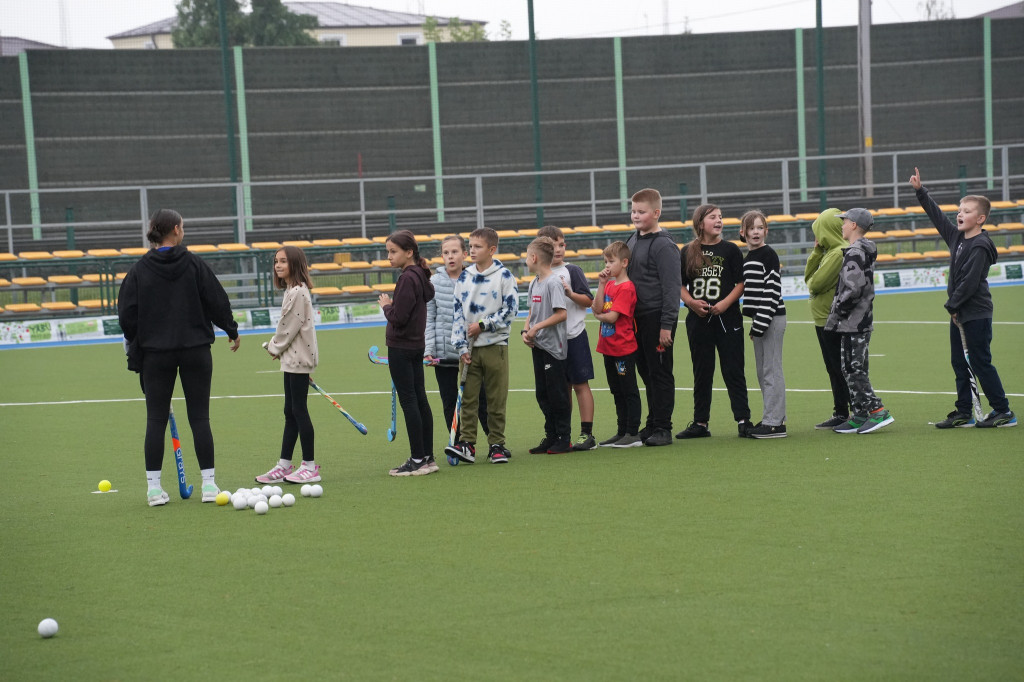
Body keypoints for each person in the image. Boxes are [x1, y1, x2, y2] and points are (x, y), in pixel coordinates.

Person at [117, 208, 240, 507]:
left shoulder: (138, 270)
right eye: (182, 226)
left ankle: (154, 490)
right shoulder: (194, 263)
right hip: (195, 350)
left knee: (155, 419)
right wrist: (231, 329)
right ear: (175, 229)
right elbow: (216, 298)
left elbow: (126, 314)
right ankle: (209, 486)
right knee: (199, 417)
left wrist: (136, 340)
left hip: (155, 355)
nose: (183, 230)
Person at [910, 167, 1015, 428]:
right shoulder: (957, 237)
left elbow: (969, 282)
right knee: (959, 362)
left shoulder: (980, 246)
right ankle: (964, 412)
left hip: (975, 313)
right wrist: (921, 192)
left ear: (980, 219)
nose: (959, 214)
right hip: (958, 314)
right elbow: (937, 217)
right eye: (959, 210)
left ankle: (1003, 411)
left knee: (980, 362)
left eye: (966, 211)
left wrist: (952, 305)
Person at [678, 204, 751, 439]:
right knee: (702, 372)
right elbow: (679, 285)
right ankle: (700, 423)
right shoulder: (688, 250)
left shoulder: (730, 250)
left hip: (728, 319)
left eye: (720, 217)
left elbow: (740, 283)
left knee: (733, 370)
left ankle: (743, 419)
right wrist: (691, 303)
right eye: (713, 217)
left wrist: (725, 304)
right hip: (698, 321)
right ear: (701, 223)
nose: (719, 220)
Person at [448, 227, 519, 464]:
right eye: (470, 246)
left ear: (492, 249)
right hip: (469, 351)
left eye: (477, 246)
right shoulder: (465, 277)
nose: (472, 250)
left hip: (495, 347)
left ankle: (497, 445)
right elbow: (458, 313)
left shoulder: (504, 276)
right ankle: (467, 444)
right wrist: (460, 347)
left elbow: (511, 311)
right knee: (468, 399)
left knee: (496, 399)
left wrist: (483, 325)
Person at [824, 208, 894, 434]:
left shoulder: (855, 251)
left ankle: (877, 410)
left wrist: (838, 308)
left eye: (844, 222)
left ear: (853, 225)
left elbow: (854, 288)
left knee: (855, 370)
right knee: (849, 368)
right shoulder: (858, 250)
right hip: (854, 321)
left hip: (855, 320)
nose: (842, 225)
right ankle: (861, 413)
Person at [255, 246, 320, 484]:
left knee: (298, 410)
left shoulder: (299, 292)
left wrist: (274, 347)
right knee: (290, 411)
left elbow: (288, 328)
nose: (278, 265)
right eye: (276, 261)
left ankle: (310, 466)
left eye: (283, 261)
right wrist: (279, 350)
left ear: (295, 263)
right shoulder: (292, 290)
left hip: (299, 359)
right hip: (292, 359)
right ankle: (284, 464)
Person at [625, 188, 681, 447]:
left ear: (656, 213)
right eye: (633, 211)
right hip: (636, 319)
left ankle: (663, 427)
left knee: (659, 373)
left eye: (641, 211)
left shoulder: (664, 245)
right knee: (646, 372)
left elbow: (671, 288)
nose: (635, 216)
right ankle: (652, 422)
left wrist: (666, 326)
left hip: (657, 318)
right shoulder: (632, 239)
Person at [379, 230, 437, 476]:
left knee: (410, 401)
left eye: (393, 252)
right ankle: (427, 457)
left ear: (409, 252)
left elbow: (399, 317)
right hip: (416, 345)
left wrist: (386, 306)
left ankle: (417, 459)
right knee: (420, 399)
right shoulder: (420, 276)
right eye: (388, 252)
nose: (389, 257)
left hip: (402, 347)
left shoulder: (407, 278)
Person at [424, 235, 489, 443]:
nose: (450, 257)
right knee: (450, 401)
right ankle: (458, 443)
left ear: (464, 254)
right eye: (446, 253)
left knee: (481, 399)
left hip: (471, 353)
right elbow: (430, 319)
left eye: (454, 252)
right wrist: (429, 349)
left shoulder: (475, 279)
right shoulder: (434, 282)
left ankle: (494, 442)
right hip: (444, 355)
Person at [538, 225, 597, 451]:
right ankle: (564, 434)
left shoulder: (572, 271)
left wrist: (570, 293)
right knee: (560, 389)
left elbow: (588, 301)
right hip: (551, 343)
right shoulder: (540, 276)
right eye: (553, 246)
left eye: (561, 244)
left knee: (580, 384)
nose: (559, 250)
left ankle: (587, 434)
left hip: (574, 336)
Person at [739, 210, 788, 439]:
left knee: (771, 369)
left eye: (759, 228)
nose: (755, 232)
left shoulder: (768, 254)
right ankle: (771, 416)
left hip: (771, 318)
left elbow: (772, 290)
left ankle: (775, 423)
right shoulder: (749, 258)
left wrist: (760, 323)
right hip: (760, 321)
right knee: (762, 371)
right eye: (751, 228)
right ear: (743, 232)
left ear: (766, 231)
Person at [522, 237, 572, 454]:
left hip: (553, 348)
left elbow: (561, 314)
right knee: (542, 393)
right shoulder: (535, 282)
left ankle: (564, 438)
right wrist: (527, 330)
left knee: (557, 394)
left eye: (526, 255)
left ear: (534, 257)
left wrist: (537, 328)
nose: (525, 259)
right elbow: (532, 312)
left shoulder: (554, 282)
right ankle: (551, 435)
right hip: (538, 347)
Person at [805, 208, 852, 429]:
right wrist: (816, 252)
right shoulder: (831, 251)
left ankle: (847, 411)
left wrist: (817, 257)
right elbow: (810, 278)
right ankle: (842, 411)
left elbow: (814, 283)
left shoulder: (837, 253)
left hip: (830, 319)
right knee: (834, 367)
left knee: (838, 367)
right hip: (824, 318)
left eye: (818, 232)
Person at [593, 241, 641, 447]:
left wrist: (599, 315)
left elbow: (611, 317)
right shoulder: (610, 284)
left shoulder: (627, 287)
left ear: (624, 263)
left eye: (611, 261)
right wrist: (601, 285)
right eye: (605, 261)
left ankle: (633, 433)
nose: (607, 266)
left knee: (628, 390)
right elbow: (595, 307)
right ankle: (621, 431)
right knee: (616, 391)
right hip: (608, 348)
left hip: (623, 349)